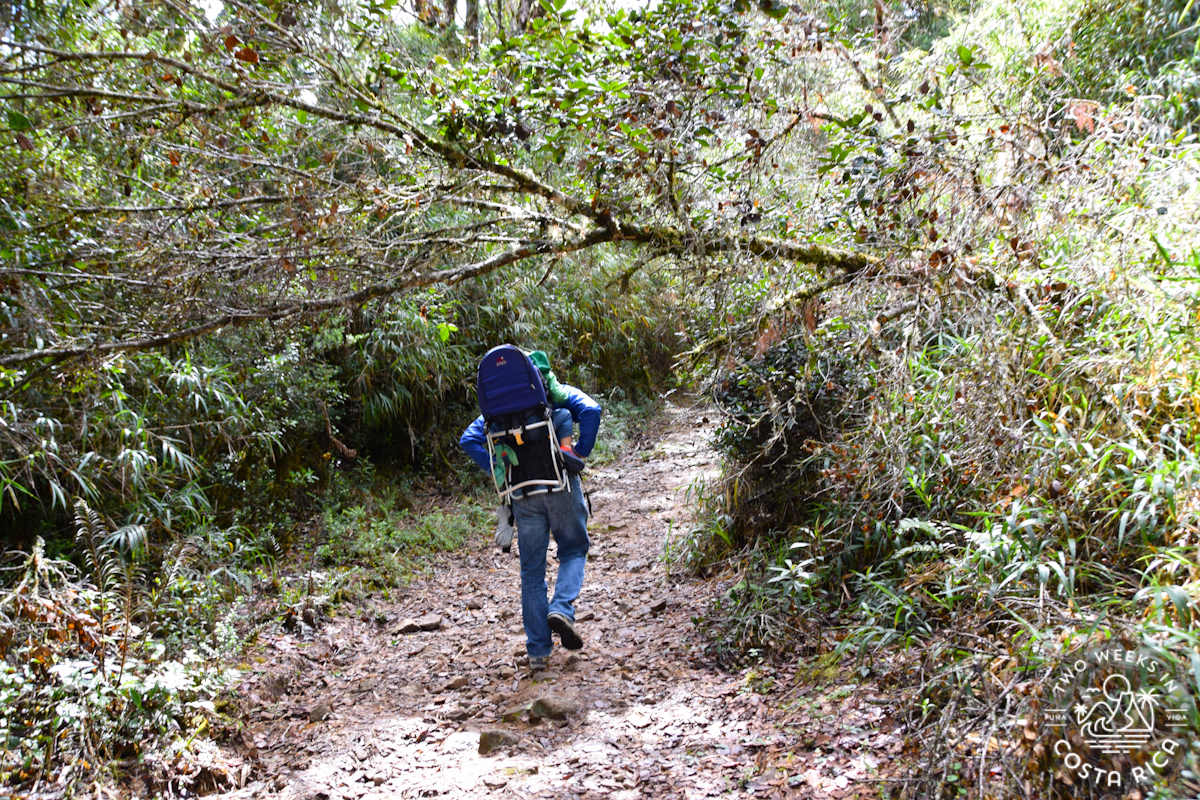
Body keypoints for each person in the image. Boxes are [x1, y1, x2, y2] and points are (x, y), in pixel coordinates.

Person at [459, 353, 601, 672]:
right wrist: (578, 453)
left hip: (522, 496)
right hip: (560, 486)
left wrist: (497, 467)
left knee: (532, 571)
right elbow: (591, 410)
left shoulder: (495, 414)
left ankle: (538, 652)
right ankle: (562, 608)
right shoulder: (554, 395)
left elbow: (468, 440)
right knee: (574, 549)